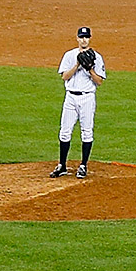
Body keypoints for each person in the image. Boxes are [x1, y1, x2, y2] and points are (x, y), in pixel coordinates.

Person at [51, 26, 104, 179]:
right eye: (81, 37)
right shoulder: (69, 55)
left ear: (90, 38)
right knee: (65, 131)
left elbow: (99, 81)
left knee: (86, 132)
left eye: (86, 37)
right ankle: (62, 165)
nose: (83, 40)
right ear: (77, 38)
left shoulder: (97, 57)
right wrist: (77, 65)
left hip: (87, 97)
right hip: (70, 97)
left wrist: (89, 69)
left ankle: (83, 165)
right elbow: (64, 77)